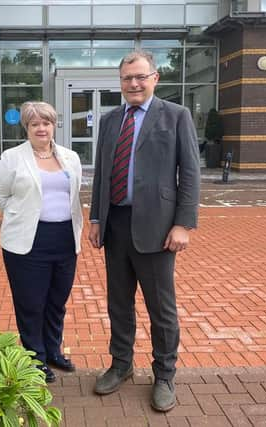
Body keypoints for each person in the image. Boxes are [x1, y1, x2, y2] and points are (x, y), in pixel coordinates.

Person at [88, 51, 200, 411]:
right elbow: (102, 173)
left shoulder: (176, 116)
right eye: (126, 79)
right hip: (116, 225)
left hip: (158, 228)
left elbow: (191, 174)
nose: (133, 84)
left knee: (160, 308)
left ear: (155, 78)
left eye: (139, 77)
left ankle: (164, 374)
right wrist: (95, 219)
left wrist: (183, 223)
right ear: (120, 82)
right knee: (118, 303)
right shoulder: (109, 121)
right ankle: (121, 364)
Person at [0, 101, 83, 383]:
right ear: (27, 128)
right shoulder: (12, 158)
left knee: (57, 301)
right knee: (31, 303)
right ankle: (35, 358)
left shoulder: (70, 157)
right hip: (27, 242)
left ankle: (53, 350)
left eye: (46, 123)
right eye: (35, 124)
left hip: (65, 239)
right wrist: (21, 213)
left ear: (54, 125)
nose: (41, 128)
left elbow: (74, 196)